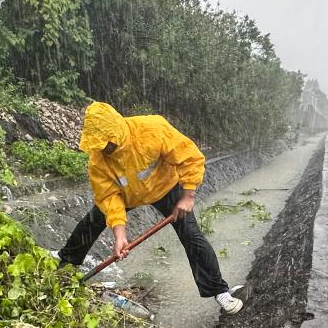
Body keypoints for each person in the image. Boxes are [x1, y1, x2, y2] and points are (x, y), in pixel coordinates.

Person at [55, 101, 244, 315]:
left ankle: (220, 292)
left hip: (165, 187)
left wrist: (188, 195)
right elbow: (109, 196)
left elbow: (190, 157)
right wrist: (119, 234)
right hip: (128, 195)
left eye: (107, 144)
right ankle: (65, 267)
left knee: (191, 235)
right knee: (91, 222)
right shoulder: (98, 161)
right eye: (98, 145)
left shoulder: (152, 129)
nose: (103, 149)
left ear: (117, 133)